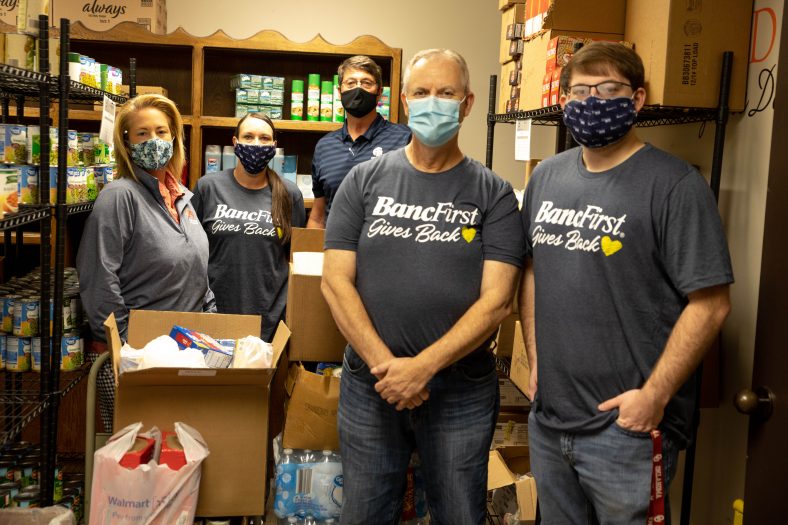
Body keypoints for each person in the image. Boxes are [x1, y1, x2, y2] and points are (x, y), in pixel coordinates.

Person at [519, 42, 733, 524]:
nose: (592, 100)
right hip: (550, 422)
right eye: (581, 90)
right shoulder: (546, 178)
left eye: (608, 88)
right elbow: (532, 268)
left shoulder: (675, 185)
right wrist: (536, 360)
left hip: (627, 432)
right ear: (565, 100)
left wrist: (653, 396)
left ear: (636, 99)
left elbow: (712, 302)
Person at [322, 49, 525, 525]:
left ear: (468, 103)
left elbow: (497, 301)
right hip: (371, 385)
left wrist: (423, 368)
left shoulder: (492, 193)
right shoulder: (363, 180)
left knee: (458, 514)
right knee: (365, 514)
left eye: (446, 93)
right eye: (422, 92)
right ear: (406, 103)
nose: (433, 102)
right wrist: (386, 367)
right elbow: (335, 281)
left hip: (460, 390)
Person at [77, 93, 216, 431]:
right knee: (139, 463)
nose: (153, 141)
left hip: (182, 349)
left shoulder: (183, 197)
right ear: (126, 141)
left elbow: (198, 272)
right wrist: (127, 349)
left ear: (174, 138)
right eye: (142, 133)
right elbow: (99, 278)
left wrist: (210, 332)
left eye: (161, 131)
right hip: (135, 357)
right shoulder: (119, 196)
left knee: (177, 460)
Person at [192, 113, 306, 341]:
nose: (256, 144)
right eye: (248, 136)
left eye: (264, 138)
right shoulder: (208, 187)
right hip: (216, 315)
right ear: (235, 143)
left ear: (274, 146)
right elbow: (194, 252)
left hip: (269, 318)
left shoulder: (289, 194)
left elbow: (293, 258)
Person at [306, 55, 411, 228]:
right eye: (351, 83)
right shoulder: (324, 146)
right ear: (339, 92)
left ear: (379, 93)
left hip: (385, 250)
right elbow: (318, 216)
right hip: (337, 251)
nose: (358, 89)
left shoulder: (404, 138)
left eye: (366, 83)